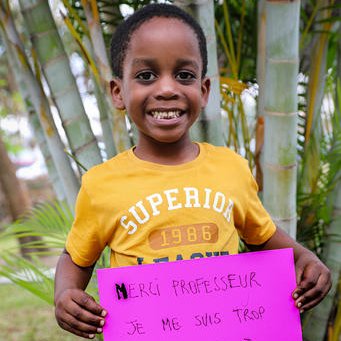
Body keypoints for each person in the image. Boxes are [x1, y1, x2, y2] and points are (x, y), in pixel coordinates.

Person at [54, 3, 331, 339]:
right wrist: (65, 294)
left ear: (203, 90)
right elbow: (77, 258)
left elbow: (265, 238)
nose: (167, 88)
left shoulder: (230, 168)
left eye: (184, 75)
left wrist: (305, 259)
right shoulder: (101, 184)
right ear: (118, 92)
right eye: (146, 76)